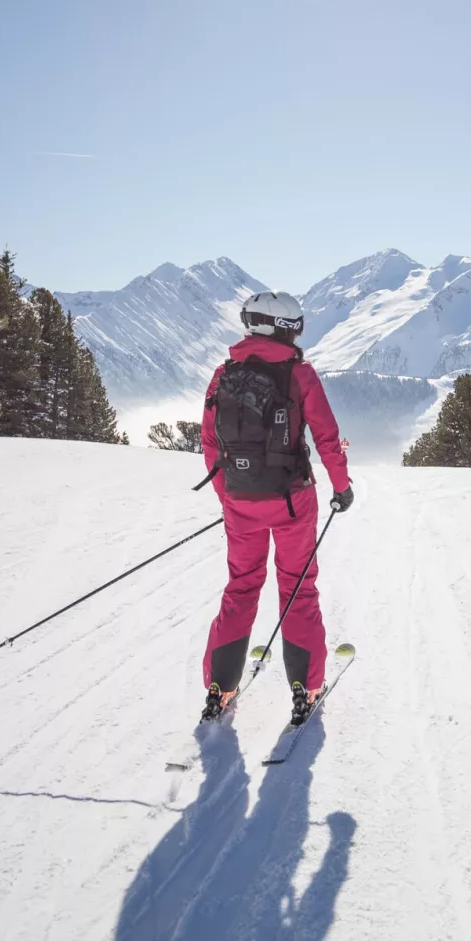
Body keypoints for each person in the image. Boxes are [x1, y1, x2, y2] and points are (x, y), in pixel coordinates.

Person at [198, 290, 353, 725]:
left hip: (240, 501)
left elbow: (211, 444)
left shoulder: (222, 374)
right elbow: (326, 435)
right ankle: (306, 687)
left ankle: (219, 686)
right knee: (298, 588)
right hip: (291, 501)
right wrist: (342, 487)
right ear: (284, 327)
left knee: (241, 588)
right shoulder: (299, 374)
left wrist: (229, 495)